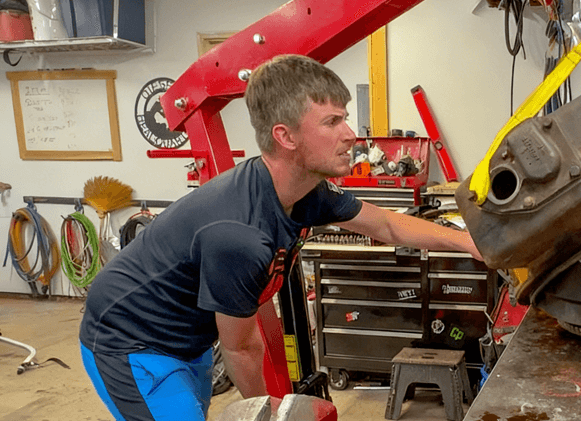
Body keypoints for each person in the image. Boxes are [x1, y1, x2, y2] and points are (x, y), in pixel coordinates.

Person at [79, 54, 482, 421]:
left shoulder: (308, 193)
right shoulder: (240, 235)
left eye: (344, 118)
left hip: (188, 339)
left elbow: (387, 225)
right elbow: (240, 348)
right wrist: (273, 413)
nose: (350, 135)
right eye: (331, 122)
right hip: (130, 340)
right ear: (285, 137)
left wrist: (470, 243)